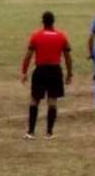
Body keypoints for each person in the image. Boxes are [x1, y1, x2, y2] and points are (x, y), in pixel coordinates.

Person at [21, 11, 72, 140]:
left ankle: (31, 132)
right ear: (53, 21)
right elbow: (67, 57)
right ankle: (49, 132)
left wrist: (24, 72)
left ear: (42, 21)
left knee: (34, 100)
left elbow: (28, 56)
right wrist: (69, 73)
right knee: (52, 101)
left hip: (40, 70)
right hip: (55, 70)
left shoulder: (36, 36)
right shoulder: (61, 36)